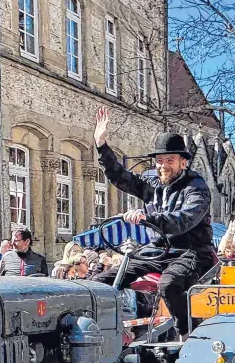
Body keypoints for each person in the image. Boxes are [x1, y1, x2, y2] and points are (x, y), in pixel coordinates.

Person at [92, 107, 216, 335]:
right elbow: (121, 177)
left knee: (168, 285)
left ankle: (187, 332)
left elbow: (183, 220)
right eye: (159, 160)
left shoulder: (196, 188)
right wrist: (101, 145)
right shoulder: (153, 184)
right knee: (101, 280)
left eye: (170, 160)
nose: (163, 165)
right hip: (157, 252)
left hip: (192, 253)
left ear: (183, 162)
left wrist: (147, 218)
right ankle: (103, 332)